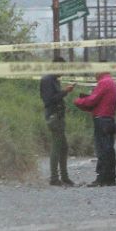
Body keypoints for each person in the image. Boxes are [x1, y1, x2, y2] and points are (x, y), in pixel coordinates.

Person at [73, 69, 116, 187]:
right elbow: (98, 101)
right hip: (109, 119)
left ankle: (101, 178)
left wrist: (78, 101)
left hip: (101, 120)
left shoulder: (103, 83)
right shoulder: (112, 82)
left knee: (101, 149)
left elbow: (92, 101)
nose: (94, 75)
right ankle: (110, 178)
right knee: (109, 149)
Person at [40, 56, 76, 186]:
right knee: (57, 146)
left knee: (63, 147)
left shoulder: (54, 80)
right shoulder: (47, 80)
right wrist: (65, 92)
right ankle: (54, 178)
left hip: (59, 116)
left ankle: (64, 177)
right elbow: (49, 100)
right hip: (54, 117)